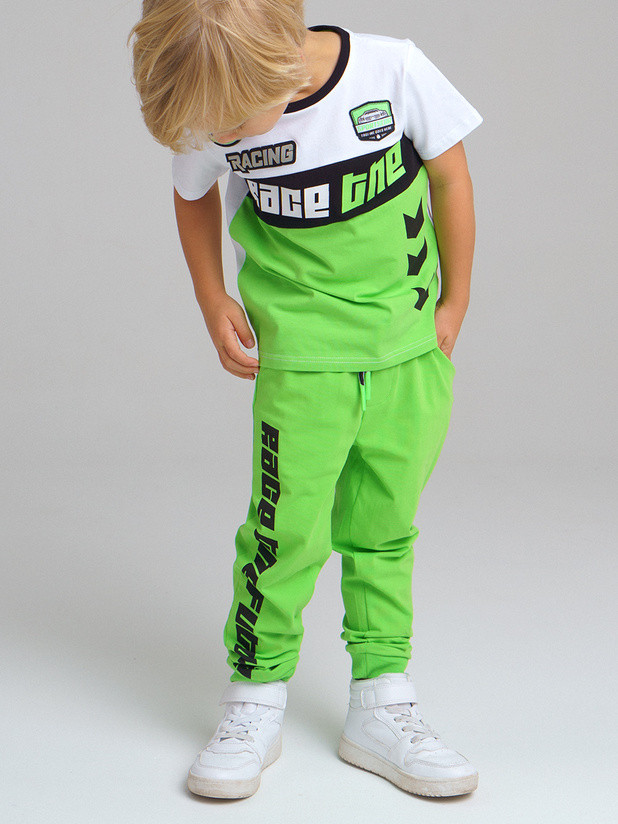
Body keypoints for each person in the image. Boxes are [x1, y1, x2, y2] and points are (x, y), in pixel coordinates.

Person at [127, 0, 483, 801]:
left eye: (231, 126)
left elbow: (450, 173)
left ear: (281, 63)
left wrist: (457, 299)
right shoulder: (213, 91)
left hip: (407, 354)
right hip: (302, 362)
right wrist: (211, 296)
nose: (222, 139)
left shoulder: (392, 70)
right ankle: (254, 697)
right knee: (284, 532)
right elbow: (191, 193)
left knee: (385, 526)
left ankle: (382, 700)